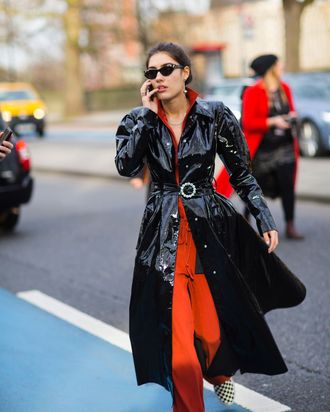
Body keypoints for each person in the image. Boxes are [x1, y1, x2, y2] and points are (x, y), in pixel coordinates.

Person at [115, 42, 306, 412]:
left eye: (166, 69)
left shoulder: (214, 114)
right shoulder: (138, 120)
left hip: (210, 230)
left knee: (210, 328)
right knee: (179, 339)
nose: (158, 78)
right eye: (151, 73)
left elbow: (241, 174)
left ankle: (218, 374)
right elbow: (126, 166)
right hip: (163, 237)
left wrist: (264, 216)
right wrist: (144, 116)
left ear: (186, 72)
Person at [216, 54, 303, 240]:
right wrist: (273, 121)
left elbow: (291, 110)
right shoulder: (253, 91)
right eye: (279, 65)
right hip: (262, 149)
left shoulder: (284, 88)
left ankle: (290, 224)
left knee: (288, 185)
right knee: (257, 187)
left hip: (284, 147)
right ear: (270, 69)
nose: (282, 68)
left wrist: (291, 118)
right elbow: (249, 122)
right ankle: (249, 218)